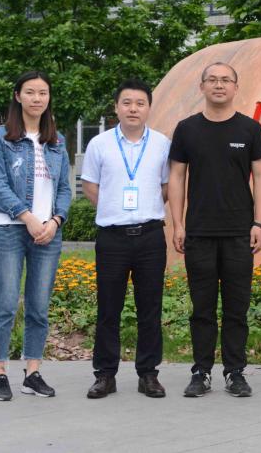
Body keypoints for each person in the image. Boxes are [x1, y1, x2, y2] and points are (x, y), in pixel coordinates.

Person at [167, 62, 261, 399]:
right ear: (202, 87)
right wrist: (178, 223)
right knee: (202, 308)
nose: (219, 85)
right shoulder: (187, 129)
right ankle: (201, 371)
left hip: (240, 232)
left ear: (236, 87)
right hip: (198, 232)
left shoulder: (249, 129)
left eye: (226, 80)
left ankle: (235, 372)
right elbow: (177, 176)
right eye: (212, 80)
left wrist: (259, 222)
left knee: (237, 308)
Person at [80, 79, 171, 399]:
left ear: (149, 108)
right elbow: (90, 185)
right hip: (112, 238)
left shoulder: (162, 144)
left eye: (140, 103)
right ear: (116, 107)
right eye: (127, 103)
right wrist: (113, 208)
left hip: (150, 236)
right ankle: (105, 374)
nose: (133, 109)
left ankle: (148, 374)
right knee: (108, 308)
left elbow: (167, 186)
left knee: (150, 308)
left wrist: (145, 208)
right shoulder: (99, 144)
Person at [0, 71, 71, 401]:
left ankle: (32, 373)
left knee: (38, 307)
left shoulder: (57, 141)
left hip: (48, 234)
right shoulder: (0, 137)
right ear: (18, 96)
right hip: (10, 230)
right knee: (5, 304)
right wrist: (27, 217)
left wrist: (56, 221)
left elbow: (64, 189)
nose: (37, 98)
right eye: (31, 92)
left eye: (43, 93)